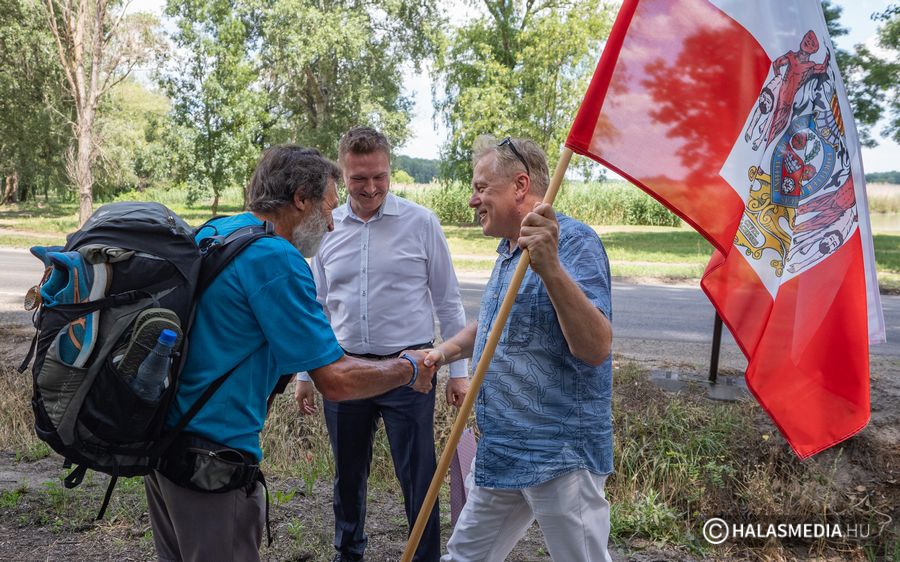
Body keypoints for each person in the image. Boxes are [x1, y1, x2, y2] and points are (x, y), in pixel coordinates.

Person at [144, 145, 437, 562]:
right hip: (212, 459)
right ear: (301, 198)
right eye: (329, 207)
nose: (333, 225)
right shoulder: (275, 258)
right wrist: (407, 368)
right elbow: (335, 380)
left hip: (166, 449)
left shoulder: (218, 231)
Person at [425, 135, 614, 562]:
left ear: (520, 186)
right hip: (502, 451)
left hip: (559, 456)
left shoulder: (574, 243)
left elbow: (596, 346)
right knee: (463, 558)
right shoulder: (509, 250)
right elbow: (492, 325)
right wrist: (442, 353)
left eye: (480, 188)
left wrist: (549, 267)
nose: (472, 200)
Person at [294, 126, 468, 562]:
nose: (370, 188)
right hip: (344, 371)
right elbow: (316, 306)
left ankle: (423, 556)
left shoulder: (421, 223)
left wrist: (458, 374)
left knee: (419, 477)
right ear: (342, 175)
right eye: (358, 179)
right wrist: (304, 373)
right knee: (347, 477)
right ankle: (348, 553)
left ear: (389, 170)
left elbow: (448, 301)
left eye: (379, 176)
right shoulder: (327, 229)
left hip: (412, 372)